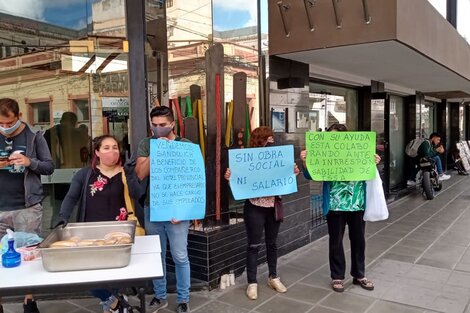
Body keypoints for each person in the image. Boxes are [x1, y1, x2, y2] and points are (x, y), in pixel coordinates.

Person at [54, 135, 144, 313]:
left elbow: (138, 195)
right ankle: (113, 301)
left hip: (119, 232)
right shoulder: (85, 174)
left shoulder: (125, 172)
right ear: (97, 152)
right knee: (84, 273)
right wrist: (63, 216)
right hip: (90, 231)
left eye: (115, 147)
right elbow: (71, 197)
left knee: (115, 271)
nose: (112, 151)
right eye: (106, 148)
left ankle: (114, 303)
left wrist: (131, 174)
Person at [300, 123, 380, 293]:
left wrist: (374, 163)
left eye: (336, 136)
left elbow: (369, 172)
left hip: (356, 203)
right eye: (330, 136)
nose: (333, 139)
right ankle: (337, 276)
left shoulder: (357, 149)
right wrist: (306, 162)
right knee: (335, 241)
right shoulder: (325, 152)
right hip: (335, 204)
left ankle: (359, 274)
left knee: (359, 240)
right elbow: (310, 175)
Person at [224, 126, 300, 300]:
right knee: (253, 245)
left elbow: (284, 180)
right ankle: (252, 282)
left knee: (272, 243)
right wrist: (230, 178)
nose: (272, 140)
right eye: (269, 137)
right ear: (262, 139)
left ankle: (273, 276)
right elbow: (239, 185)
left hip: (274, 207)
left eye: (273, 138)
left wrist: (293, 174)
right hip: (254, 207)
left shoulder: (278, 157)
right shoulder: (246, 158)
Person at [0, 98, 54, 313]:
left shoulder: (34, 137)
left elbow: (49, 166)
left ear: (19, 117)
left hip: (27, 206)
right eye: (1, 124)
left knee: (29, 254)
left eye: (8, 122)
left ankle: (29, 301)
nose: (5, 127)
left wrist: (29, 162)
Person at [135, 106, 191, 313]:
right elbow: (140, 174)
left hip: (178, 209)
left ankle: (183, 298)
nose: (157, 129)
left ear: (172, 124)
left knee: (180, 256)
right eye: (154, 125)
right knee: (156, 255)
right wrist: (155, 152)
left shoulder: (185, 145)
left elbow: (193, 181)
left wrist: (184, 211)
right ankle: (160, 296)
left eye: (162, 125)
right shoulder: (146, 144)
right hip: (154, 207)